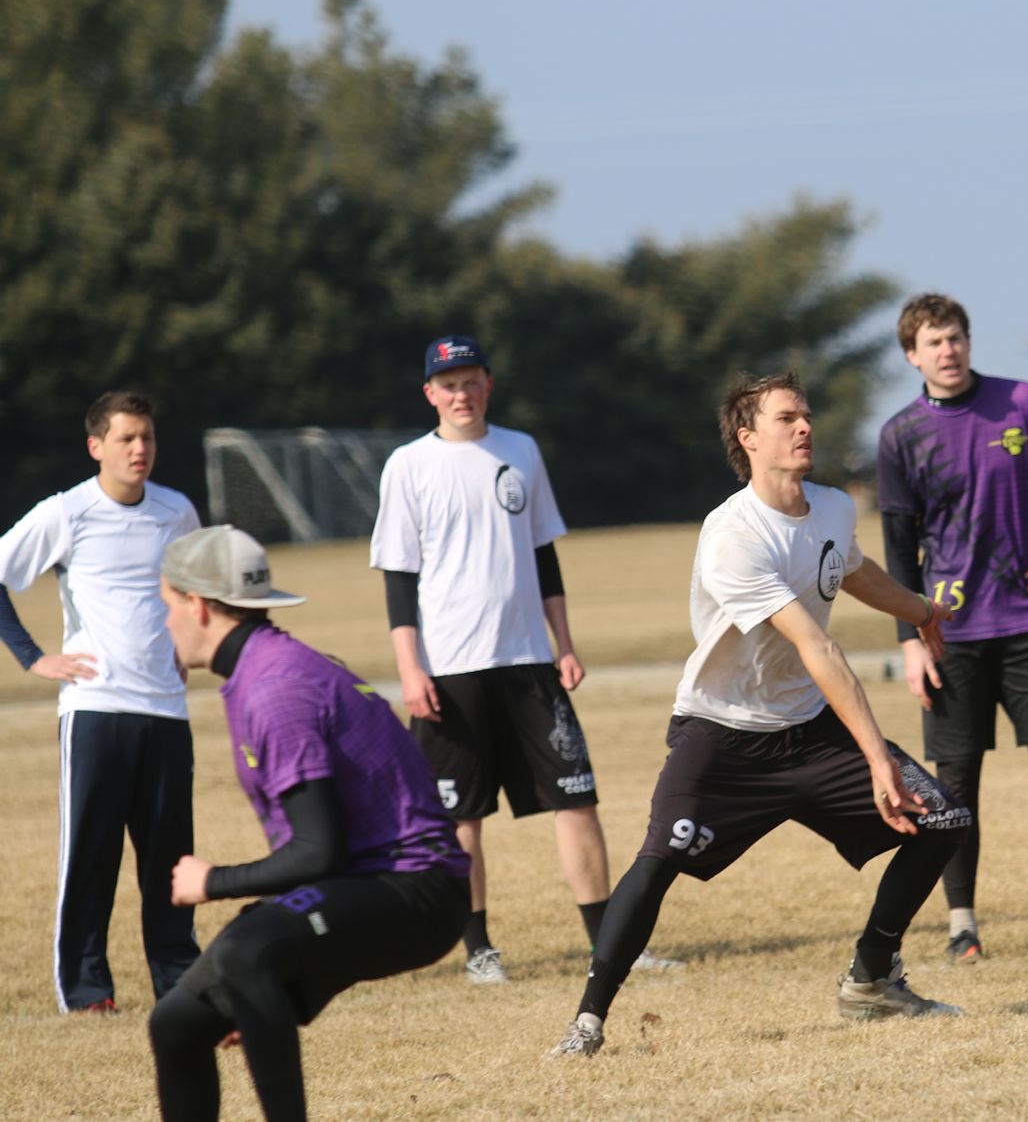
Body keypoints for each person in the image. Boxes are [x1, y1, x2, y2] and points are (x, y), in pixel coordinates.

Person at [547, 371, 971, 1059]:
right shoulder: (732, 535)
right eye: (786, 418)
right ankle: (587, 1023)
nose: (805, 427)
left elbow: (851, 569)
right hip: (723, 735)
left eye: (806, 415)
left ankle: (871, 979)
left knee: (943, 819)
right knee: (658, 860)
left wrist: (920, 609)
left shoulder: (833, 507)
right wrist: (877, 759)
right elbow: (816, 646)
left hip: (809, 731)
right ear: (747, 438)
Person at [371, 335, 676, 982]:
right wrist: (409, 668)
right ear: (430, 393)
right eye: (448, 384)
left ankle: (609, 945)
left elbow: (544, 555)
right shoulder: (408, 465)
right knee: (462, 816)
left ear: (488, 385)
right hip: (450, 667)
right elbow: (399, 576)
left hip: (530, 662)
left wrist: (564, 643)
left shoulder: (521, 450)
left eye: (471, 381)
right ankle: (479, 950)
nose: (461, 394)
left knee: (577, 801)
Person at [147, 525, 470, 1121]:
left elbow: (319, 851)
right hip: (370, 881)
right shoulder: (265, 668)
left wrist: (212, 881)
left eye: (167, 605)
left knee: (245, 953)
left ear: (197, 605)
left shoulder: (275, 688)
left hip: (419, 889)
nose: (164, 622)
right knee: (177, 1021)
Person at [876, 293, 1028, 961]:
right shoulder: (901, 435)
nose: (948, 350)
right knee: (954, 786)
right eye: (933, 342)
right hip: (948, 634)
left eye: (955, 337)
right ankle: (963, 929)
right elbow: (898, 545)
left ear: (968, 341)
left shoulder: (1024, 404)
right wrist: (909, 638)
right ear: (912, 355)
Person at [0, 391, 202, 1013]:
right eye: (125, 439)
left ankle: (180, 982)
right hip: (95, 710)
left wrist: (189, 646)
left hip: (166, 711)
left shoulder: (176, 511)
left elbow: (195, 586)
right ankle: (87, 991)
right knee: (90, 857)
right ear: (96, 447)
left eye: (147, 437)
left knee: (170, 860)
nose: (140, 449)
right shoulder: (66, 513)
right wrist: (34, 657)